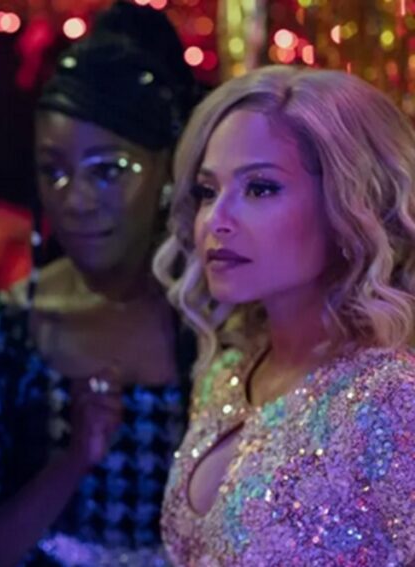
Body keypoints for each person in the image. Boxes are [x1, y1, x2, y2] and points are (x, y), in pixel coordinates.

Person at [0, 3, 202, 566]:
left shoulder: (218, 318)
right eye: (54, 171)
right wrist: (74, 458)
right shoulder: (7, 328)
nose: (76, 199)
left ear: (167, 170)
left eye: (108, 170)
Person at [155, 65, 415, 565]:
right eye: (208, 191)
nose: (217, 220)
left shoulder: (391, 399)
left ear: (350, 204)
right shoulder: (225, 374)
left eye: (260, 188)